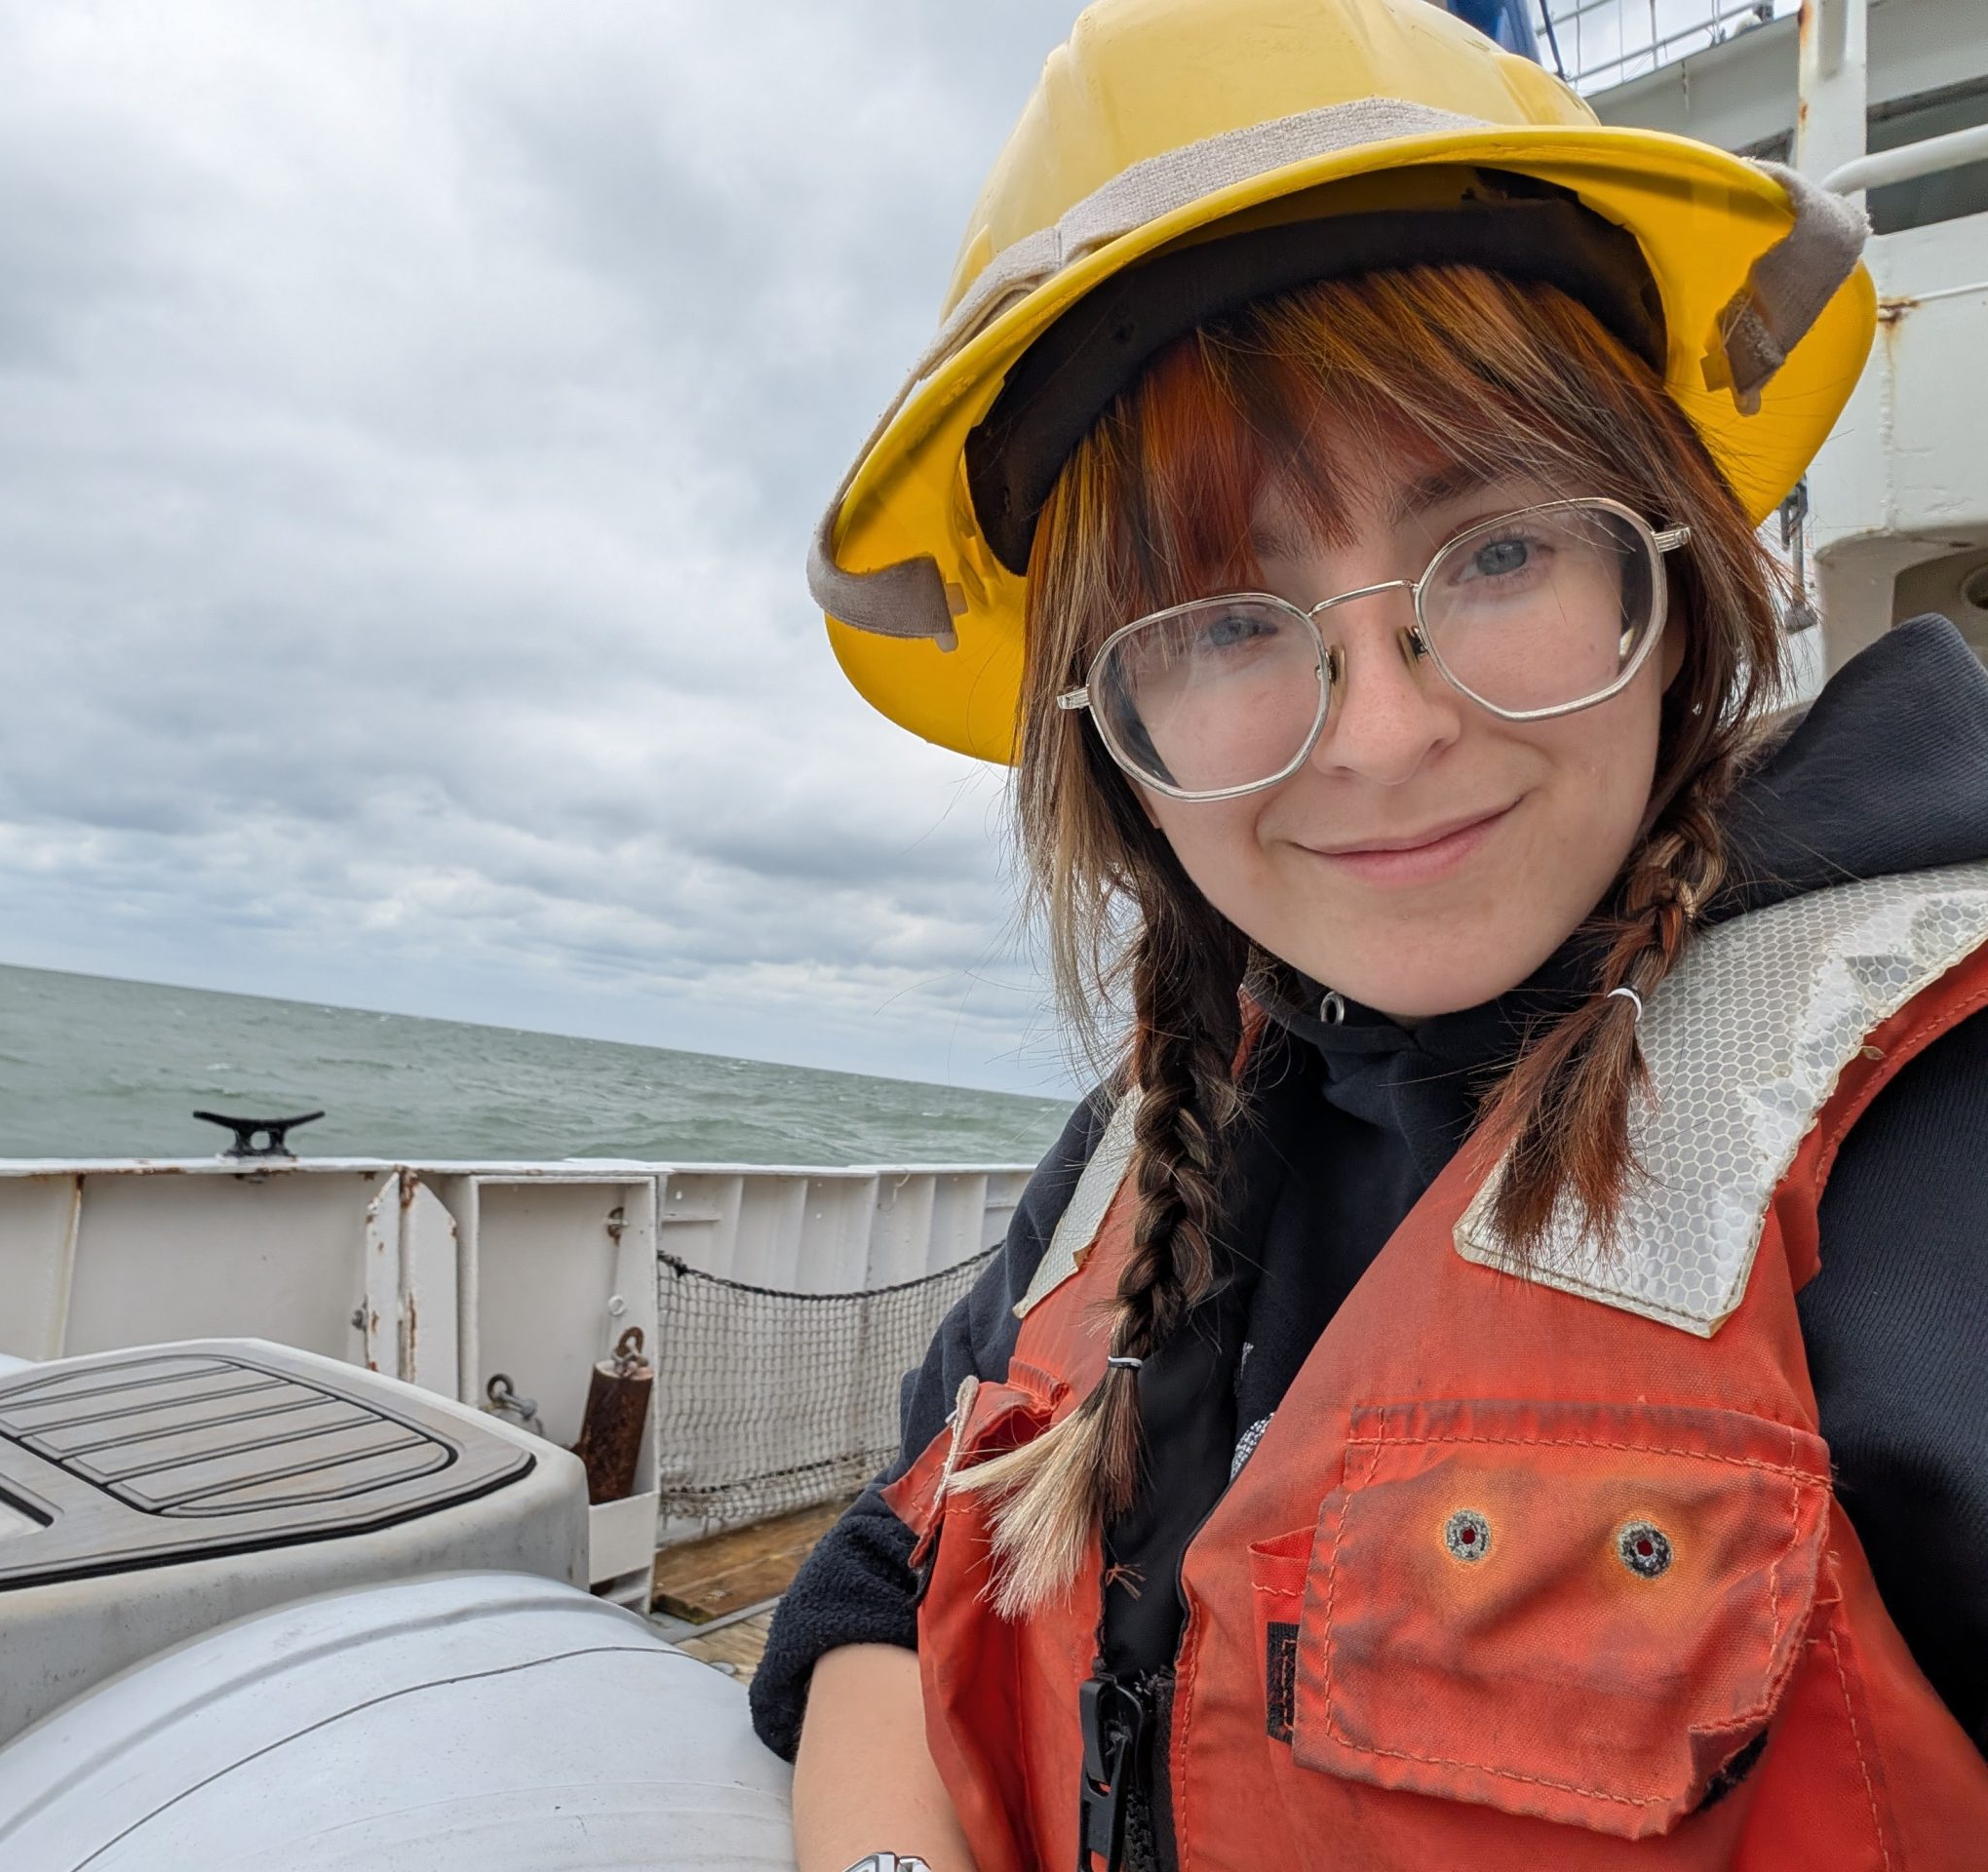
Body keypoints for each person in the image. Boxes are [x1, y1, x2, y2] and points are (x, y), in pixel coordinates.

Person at [751, 1, 1988, 1867]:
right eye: (1222, 624)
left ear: (1667, 560)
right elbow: (879, 1578)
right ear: (1114, 741)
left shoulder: (1941, 1160)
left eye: (1496, 553)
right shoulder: (1133, 1155)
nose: (1392, 731)